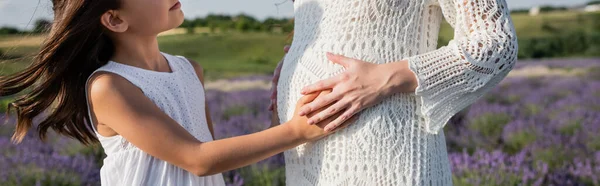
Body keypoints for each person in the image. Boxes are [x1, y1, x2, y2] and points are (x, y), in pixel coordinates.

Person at [0, 0, 353, 185]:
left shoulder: (189, 69)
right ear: (116, 20)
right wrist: (295, 131)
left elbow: (215, 156)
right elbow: (197, 158)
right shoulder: (109, 86)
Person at [270, 0, 518, 185]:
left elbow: (496, 43)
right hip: (310, 166)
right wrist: (294, 68)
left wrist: (386, 78)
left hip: (389, 167)